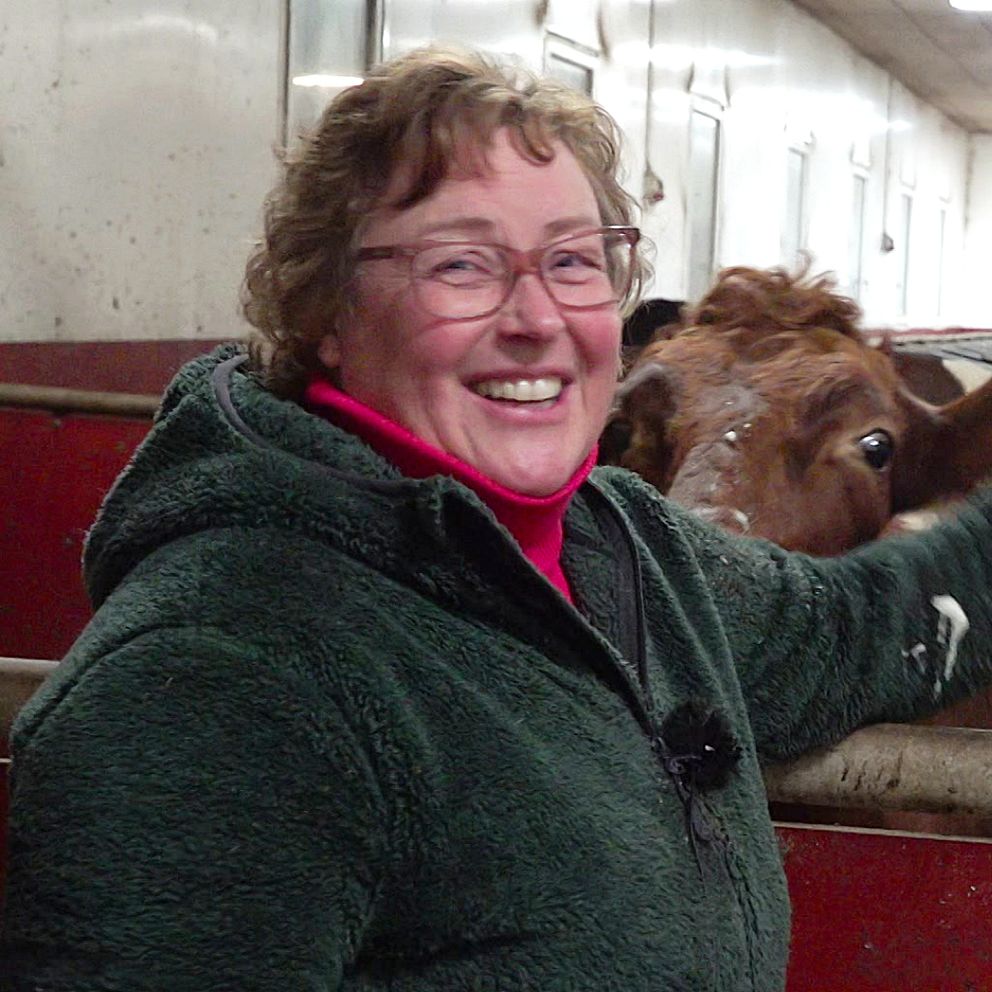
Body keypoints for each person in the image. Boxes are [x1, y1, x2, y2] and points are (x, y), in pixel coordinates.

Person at [1, 46, 991, 992]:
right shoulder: (218, 675)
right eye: (461, 264)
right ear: (328, 313)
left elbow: (855, 628)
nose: (536, 317)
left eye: (573, 260)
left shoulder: (622, 542)